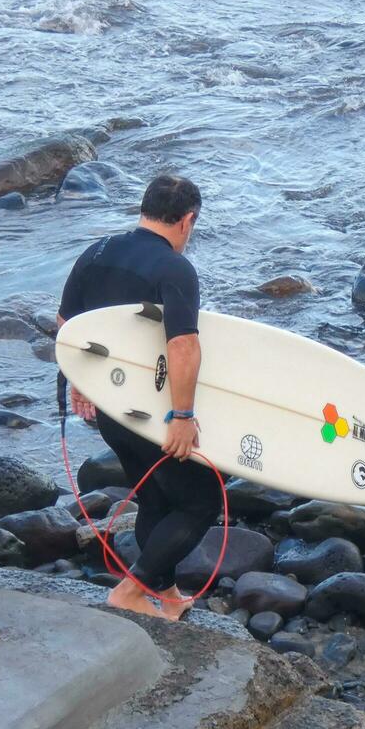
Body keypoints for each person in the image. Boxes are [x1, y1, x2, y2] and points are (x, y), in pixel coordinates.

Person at [56, 173, 218, 621]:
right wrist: (182, 416)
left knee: (156, 497)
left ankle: (162, 596)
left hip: (111, 409)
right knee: (201, 500)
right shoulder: (175, 268)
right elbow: (183, 344)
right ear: (187, 221)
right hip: (152, 414)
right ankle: (132, 589)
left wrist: (80, 382)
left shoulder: (97, 252)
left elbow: (68, 323)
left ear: (144, 209)